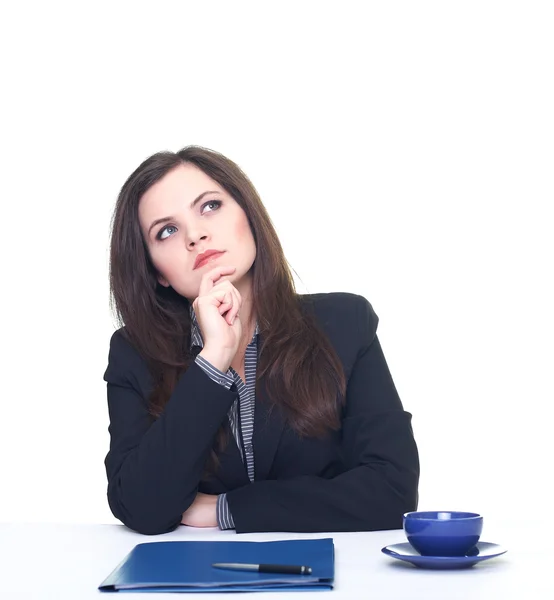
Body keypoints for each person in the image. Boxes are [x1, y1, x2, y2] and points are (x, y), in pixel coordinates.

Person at [104, 145, 419, 536]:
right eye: (166, 231)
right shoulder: (133, 354)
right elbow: (140, 507)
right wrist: (213, 359)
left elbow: (392, 491)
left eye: (210, 206)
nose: (196, 235)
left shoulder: (345, 324)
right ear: (157, 273)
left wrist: (227, 509)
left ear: (248, 215)